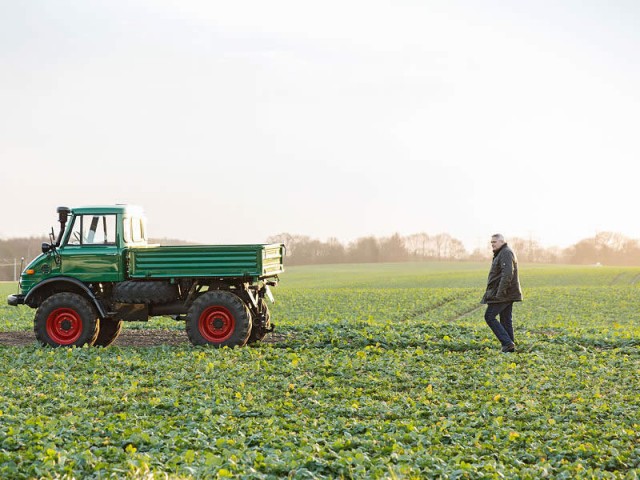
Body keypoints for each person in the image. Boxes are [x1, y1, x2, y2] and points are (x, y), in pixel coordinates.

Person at [481, 233, 522, 353]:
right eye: (491, 242)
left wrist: (500, 293)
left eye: (494, 242)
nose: (492, 244)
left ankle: (507, 342)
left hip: (504, 293)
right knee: (505, 319)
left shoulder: (505, 252)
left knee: (489, 316)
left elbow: (507, 274)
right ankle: (510, 347)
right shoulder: (502, 252)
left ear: (502, 242)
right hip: (507, 293)